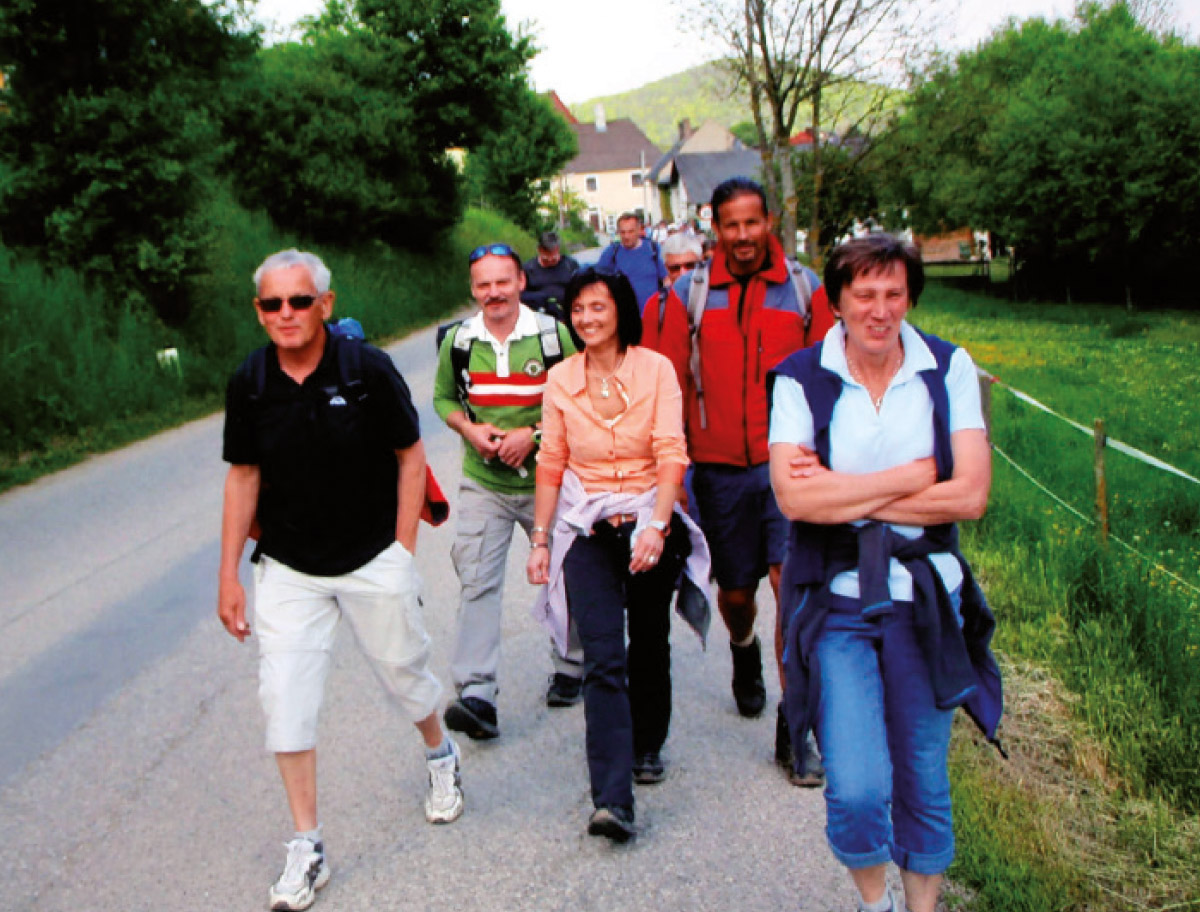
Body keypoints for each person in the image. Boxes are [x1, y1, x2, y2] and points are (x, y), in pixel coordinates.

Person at [218, 249, 463, 912]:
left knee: (404, 673)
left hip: (371, 554)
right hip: (288, 566)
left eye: (300, 301)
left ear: (325, 305)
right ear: (259, 311)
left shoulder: (366, 369)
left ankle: (440, 754)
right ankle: (308, 844)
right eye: (273, 303)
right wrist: (228, 575)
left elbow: (410, 455)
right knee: (285, 700)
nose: (286, 313)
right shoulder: (249, 382)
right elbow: (243, 476)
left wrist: (402, 551)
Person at [767, 235, 1003, 912]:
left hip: (927, 604)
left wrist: (842, 490)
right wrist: (914, 476)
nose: (880, 309)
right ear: (836, 302)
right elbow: (794, 500)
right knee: (858, 786)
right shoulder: (800, 378)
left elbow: (970, 496)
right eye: (864, 294)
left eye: (894, 294)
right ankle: (877, 903)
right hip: (838, 605)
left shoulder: (948, 368)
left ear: (910, 299)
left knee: (923, 778)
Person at [640, 176, 835, 785]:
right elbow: (667, 387)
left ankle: (796, 728)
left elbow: (830, 378)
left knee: (792, 586)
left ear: (769, 221)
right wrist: (671, 476)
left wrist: (827, 458)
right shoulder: (690, 296)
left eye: (753, 222)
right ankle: (743, 647)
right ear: (715, 227)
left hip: (789, 467)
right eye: (732, 224)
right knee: (736, 595)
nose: (744, 235)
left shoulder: (804, 290)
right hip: (719, 471)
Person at [526, 267, 712, 843]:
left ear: (621, 311)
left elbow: (671, 451)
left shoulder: (655, 369)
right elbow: (551, 461)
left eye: (598, 307)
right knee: (603, 657)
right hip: (588, 528)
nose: (586, 318)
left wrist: (658, 526)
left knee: (649, 640)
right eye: (578, 309)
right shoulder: (560, 379)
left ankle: (647, 743)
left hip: (650, 521)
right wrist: (540, 538)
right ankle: (611, 800)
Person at [434, 242, 584, 742]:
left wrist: (534, 436)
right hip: (485, 483)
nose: (494, 292)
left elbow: (579, 398)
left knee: (565, 576)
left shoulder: (553, 336)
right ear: (472, 288)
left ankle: (572, 665)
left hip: (551, 480)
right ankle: (477, 693)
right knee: (476, 580)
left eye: (503, 281)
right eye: (484, 284)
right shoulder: (459, 341)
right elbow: (443, 398)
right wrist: (469, 430)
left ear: (521, 281)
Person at [597, 212, 667, 310]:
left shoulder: (653, 249)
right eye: (623, 232)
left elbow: (666, 279)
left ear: (639, 230)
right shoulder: (611, 253)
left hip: (653, 312)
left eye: (630, 231)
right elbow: (598, 283)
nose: (626, 236)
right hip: (624, 313)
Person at [521, 230, 580, 324]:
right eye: (546, 257)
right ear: (540, 250)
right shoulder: (528, 269)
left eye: (553, 257)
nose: (550, 260)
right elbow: (520, 295)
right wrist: (544, 298)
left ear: (558, 249)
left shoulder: (570, 265)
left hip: (568, 316)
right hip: (540, 317)